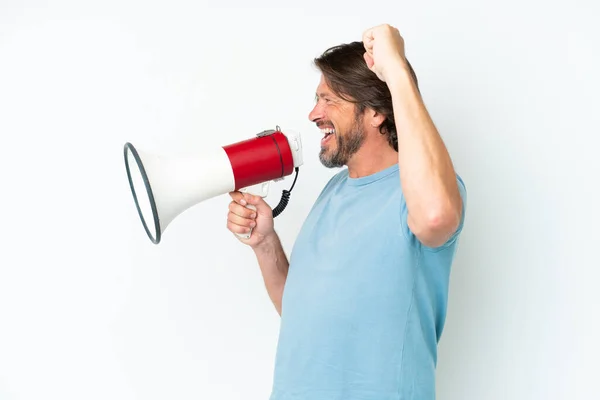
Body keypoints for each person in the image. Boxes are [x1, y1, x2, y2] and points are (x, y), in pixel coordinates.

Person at [227, 24, 467, 400]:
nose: (313, 113)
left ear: (375, 112)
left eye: (329, 100)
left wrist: (395, 69)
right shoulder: (334, 191)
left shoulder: (423, 191)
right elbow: (300, 311)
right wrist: (265, 244)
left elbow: (436, 217)